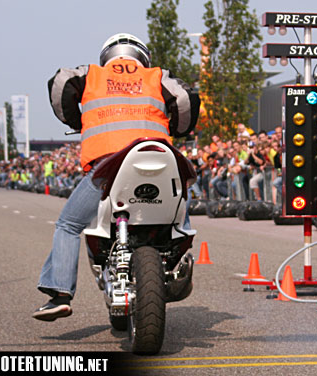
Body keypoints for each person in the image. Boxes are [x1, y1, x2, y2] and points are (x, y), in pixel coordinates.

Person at [33, 33, 200, 321]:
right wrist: (179, 128)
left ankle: (60, 293)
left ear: (108, 55)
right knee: (182, 190)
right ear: (142, 56)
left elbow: (59, 83)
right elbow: (186, 99)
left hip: (107, 164)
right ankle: (178, 253)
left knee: (69, 225)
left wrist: (77, 119)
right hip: (157, 157)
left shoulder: (90, 75)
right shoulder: (157, 76)